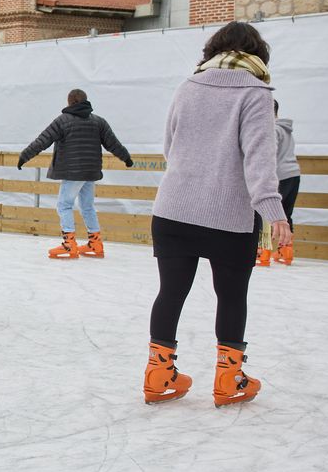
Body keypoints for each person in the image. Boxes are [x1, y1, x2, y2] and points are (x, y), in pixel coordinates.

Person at [143, 21, 291, 407]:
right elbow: (260, 160)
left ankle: (159, 375)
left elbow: (169, 147)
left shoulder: (187, 86)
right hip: (229, 216)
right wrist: (275, 213)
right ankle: (230, 380)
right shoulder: (257, 93)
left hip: (173, 209)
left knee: (170, 292)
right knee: (231, 297)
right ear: (256, 56)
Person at [18, 89, 133, 259]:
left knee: (64, 205)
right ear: (85, 101)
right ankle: (95, 243)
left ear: (69, 102)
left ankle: (69, 244)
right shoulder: (98, 122)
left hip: (73, 172)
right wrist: (126, 158)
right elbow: (113, 144)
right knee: (87, 206)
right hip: (90, 171)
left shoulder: (62, 121)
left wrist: (23, 156)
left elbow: (42, 141)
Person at [270, 100, 300, 265]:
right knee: (286, 213)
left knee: (266, 212)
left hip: (280, 176)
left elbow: (269, 153)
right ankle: (285, 250)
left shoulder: (273, 130)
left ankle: (262, 250)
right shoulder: (286, 129)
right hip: (294, 174)